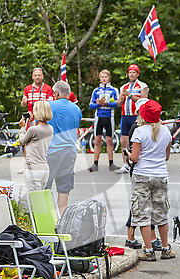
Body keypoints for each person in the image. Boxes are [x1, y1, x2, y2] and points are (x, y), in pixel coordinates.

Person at [128, 99, 174, 261]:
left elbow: (135, 157)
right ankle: (165, 247)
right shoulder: (166, 131)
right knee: (161, 212)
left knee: (143, 213)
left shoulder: (139, 132)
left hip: (142, 175)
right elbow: (166, 156)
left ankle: (149, 250)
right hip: (160, 174)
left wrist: (128, 155)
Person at [45, 81, 81, 213]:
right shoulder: (76, 109)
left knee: (45, 187)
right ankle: (62, 220)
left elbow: (39, 125)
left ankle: (47, 219)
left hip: (51, 151)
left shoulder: (48, 106)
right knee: (64, 189)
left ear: (57, 93)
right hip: (69, 152)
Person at [115, 64, 148, 174]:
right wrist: (122, 97)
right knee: (124, 140)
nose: (132, 74)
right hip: (125, 116)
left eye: (134, 72)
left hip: (137, 116)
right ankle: (125, 164)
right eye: (130, 72)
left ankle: (138, 162)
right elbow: (119, 103)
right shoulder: (123, 86)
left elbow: (144, 100)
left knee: (137, 140)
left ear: (138, 74)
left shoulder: (142, 86)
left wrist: (129, 95)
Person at [88, 69, 120, 172]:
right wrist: (98, 104)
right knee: (97, 140)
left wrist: (106, 104)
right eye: (102, 77)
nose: (104, 79)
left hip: (109, 117)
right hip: (99, 117)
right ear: (100, 78)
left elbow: (118, 104)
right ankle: (95, 163)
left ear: (109, 78)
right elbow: (91, 105)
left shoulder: (114, 90)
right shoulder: (96, 91)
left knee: (109, 141)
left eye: (106, 77)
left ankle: (111, 163)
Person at [18, 100, 53, 193]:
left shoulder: (33, 130)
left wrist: (22, 127)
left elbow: (21, 142)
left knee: (35, 202)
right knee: (40, 199)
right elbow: (37, 135)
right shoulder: (50, 129)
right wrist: (32, 122)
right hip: (44, 169)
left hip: (32, 169)